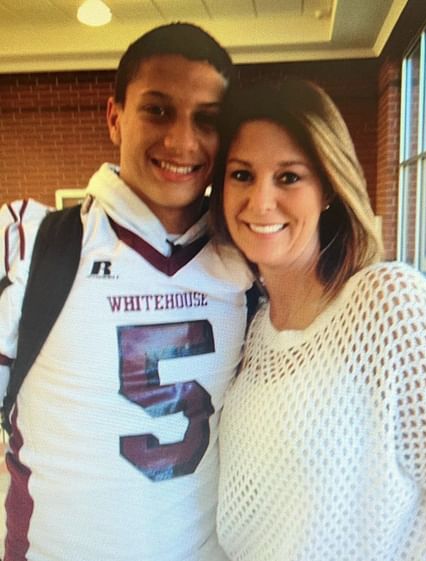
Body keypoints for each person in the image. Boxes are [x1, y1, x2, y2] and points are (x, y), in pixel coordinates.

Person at [210, 79, 426, 561]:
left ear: (327, 188)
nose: (261, 202)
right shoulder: (251, 329)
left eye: (288, 177)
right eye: (242, 175)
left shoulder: (390, 307)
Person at [0, 23, 253, 561]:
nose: (182, 141)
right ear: (114, 116)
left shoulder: (248, 261)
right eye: (157, 110)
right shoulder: (28, 243)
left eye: (206, 120)